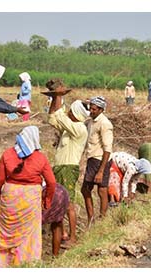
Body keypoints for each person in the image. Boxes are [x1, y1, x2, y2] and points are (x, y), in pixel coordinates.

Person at [0, 126, 56, 268]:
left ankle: (1, 266)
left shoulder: (7, 154)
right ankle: (25, 265)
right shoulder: (40, 158)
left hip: (10, 197)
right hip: (30, 199)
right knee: (28, 236)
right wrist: (47, 200)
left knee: (5, 233)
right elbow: (51, 182)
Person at [46, 81, 89, 247]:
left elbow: (60, 116)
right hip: (59, 168)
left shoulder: (79, 129)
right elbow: (53, 118)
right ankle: (63, 233)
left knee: (69, 204)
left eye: (71, 110)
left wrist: (58, 96)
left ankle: (73, 237)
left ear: (76, 114)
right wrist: (55, 98)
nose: (69, 112)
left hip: (68, 169)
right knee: (59, 202)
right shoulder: (69, 128)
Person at [81, 96, 113, 228]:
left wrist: (100, 170)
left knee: (102, 190)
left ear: (101, 109)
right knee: (86, 190)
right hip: (92, 159)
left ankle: (102, 218)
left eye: (94, 109)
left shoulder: (105, 124)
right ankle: (92, 218)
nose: (91, 111)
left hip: (100, 160)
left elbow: (107, 149)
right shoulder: (90, 122)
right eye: (90, 108)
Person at [42, 183, 69, 256]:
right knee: (57, 224)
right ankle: (55, 256)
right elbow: (51, 180)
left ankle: (32, 257)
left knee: (34, 226)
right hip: (60, 192)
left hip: (44, 192)